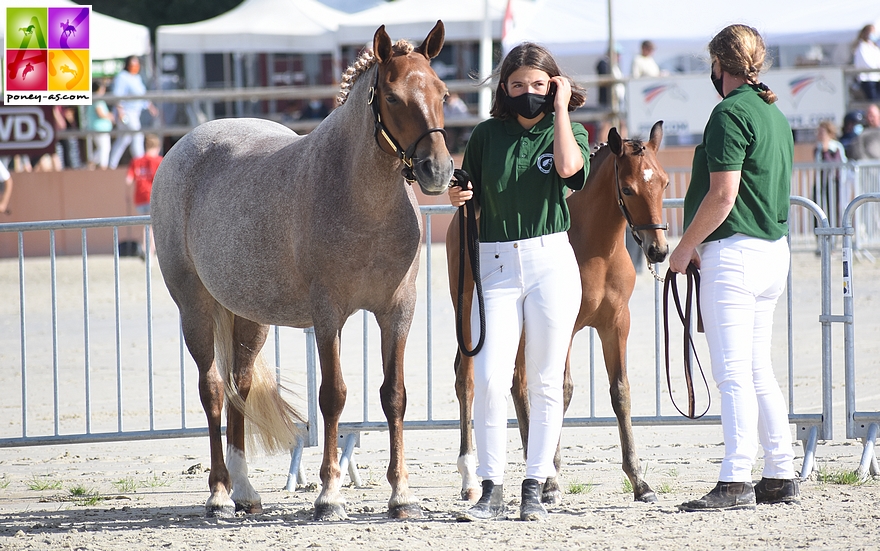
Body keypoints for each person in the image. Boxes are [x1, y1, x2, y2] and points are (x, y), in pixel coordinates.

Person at [448, 42, 590, 522]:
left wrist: (562, 108)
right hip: (496, 264)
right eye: (516, 85)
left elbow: (570, 170)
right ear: (504, 89)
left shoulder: (569, 132)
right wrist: (457, 192)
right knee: (489, 377)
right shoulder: (488, 135)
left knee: (547, 380)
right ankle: (492, 486)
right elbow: (468, 190)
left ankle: (534, 482)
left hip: (552, 260)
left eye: (537, 84)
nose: (526, 92)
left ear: (552, 85)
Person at [669, 24, 799, 512]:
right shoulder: (773, 113)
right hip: (772, 251)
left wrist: (685, 246)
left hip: (736, 253)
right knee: (758, 368)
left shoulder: (728, 114)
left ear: (719, 65)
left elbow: (723, 196)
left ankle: (736, 477)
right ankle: (780, 472)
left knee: (732, 373)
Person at [108, 56, 158, 169]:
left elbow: (142, 95)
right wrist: (120, 112)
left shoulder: (137, 78)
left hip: (136, 112)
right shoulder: (122, 77)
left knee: (124, 139)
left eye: (137, 64)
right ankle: (141, 164)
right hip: (127, 112)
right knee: (137, 134)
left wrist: (151, 107)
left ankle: (111, 164)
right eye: (132, 63)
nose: (135, 66)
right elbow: (118, 95)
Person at [126, 134, 163, 257]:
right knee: (152, 226)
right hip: (152, 197)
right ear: (157, 147)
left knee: (146, 224)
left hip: (139, 198)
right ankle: (149, 251)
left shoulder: (136, 161)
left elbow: (128, 180)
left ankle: (145, 248)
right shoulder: (158, 161)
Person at [813, 120, 848, 229]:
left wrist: (825, 150)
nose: (820, 135)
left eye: (822, 132)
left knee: (833, 209)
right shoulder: (817, 148)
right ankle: (819, 234)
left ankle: (833, 233)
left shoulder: (836, 147)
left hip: (834, 182)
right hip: (820, 182)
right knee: (818, 207)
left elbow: (833, 164)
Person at [85, 79, 114, 169]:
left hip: (97, 128)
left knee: (103, 148)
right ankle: (103, 167)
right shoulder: (97, 99)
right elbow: (100, 112)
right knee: (104, 148)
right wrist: (110, 116)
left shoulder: (94, 98)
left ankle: (91, 163)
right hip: (99, 129)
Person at [853, 24, 880, 101]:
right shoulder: (862, 46)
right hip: (867, 78)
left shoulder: (874, 46)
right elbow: (866, 62)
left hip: (876, 78)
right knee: (873, 101)